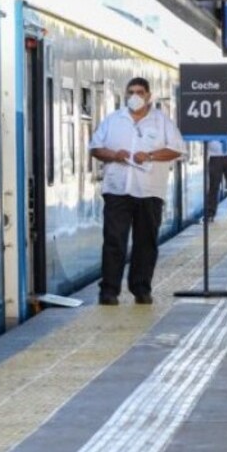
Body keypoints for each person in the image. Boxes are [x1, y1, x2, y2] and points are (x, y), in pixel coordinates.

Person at [89, 77, 184, 306]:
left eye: (140, 92)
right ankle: (109, 291)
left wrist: (150, 155)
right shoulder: (113, 120)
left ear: (148, 95)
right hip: (117, 190)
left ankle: (141, 288)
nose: (135, 96)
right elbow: (95, 148)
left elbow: (177, 149)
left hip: (149, 192)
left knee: (146, 242)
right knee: (114, 241)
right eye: (131, 92)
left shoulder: (162, 122)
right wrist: (114, 155)